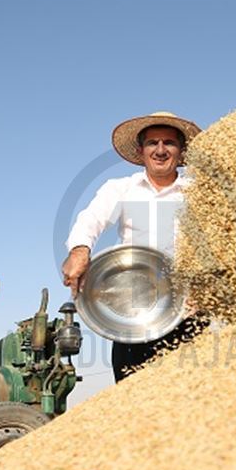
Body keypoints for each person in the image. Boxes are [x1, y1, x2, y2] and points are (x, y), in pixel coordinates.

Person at [61, 111, 206, 382]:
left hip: (189, 311)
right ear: (141, 151)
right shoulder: (121, 188)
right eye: (153, 143)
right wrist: (79, 250)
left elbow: (221, 239)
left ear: (181, 150)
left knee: (190, 400)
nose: (160, 150)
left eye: (169, 143)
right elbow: (91, 218)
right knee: (133, 401)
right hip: (134, 315)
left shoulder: (199, 192)